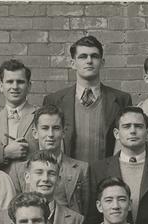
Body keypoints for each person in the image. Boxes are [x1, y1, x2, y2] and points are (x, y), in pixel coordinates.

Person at [43, 35, 133, 165]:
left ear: (102, 62)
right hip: (67, 178)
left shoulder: (121, 100)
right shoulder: (54, 100)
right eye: (83, 56)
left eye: (94, 56)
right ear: (73, 64)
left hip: (106, 178)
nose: (89, 61)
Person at [9, 104, 91, 214]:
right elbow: (14, 210)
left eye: (56, 128)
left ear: (63, 132)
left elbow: (86, 211)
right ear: (35, 133)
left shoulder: (81, 169)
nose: (50, 134)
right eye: (45, 128)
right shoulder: (18, 170)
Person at [0, 151, 84, 224]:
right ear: (27, 177)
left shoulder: (75, 220)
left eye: (51, 173)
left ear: (58, 180)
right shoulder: (3, 219)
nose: (45, 179)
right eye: (39, 172)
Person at [0, 59, 38, 171]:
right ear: (1, 86)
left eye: (20, 82)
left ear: (29, 86)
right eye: (9, 82)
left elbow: (53, 155)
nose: (15, 87)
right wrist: (4, 153)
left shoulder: (42, 117)